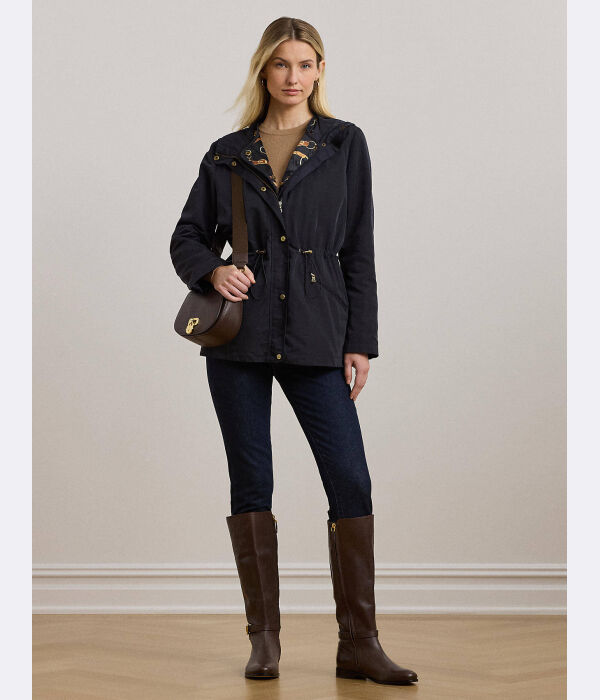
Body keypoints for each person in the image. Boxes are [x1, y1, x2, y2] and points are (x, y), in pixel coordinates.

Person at [170, 16, 418, 687]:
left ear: (320, 70)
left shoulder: (344, 143)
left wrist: (360, 341)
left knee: (350, 480)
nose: (293, 76)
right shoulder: (227, 152)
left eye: (305, 64)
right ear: (264, 69)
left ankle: (360, 644)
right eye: (282, 64)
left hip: (317, 333)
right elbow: (187, 236)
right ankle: (264, 641)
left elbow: (359, 247)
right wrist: (213, 271)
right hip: (240, 340)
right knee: (252, 482)